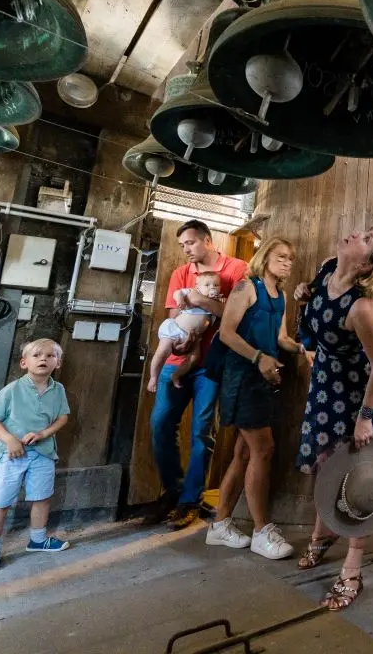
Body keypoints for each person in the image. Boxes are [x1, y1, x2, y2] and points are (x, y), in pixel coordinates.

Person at [291, 227, 373, 611]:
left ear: (367, 262)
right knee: (326, 468)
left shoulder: (362, 308)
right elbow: (310, 323)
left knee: (358, 483)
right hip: (325, 386)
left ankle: (352, 569)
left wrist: (365, 418)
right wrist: (301, 294)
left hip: (358, 397)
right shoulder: (324, 272)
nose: (355, 233)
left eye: (366, 238)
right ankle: (323, 535)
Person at [204, 237, 301, 560]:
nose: (286, 262)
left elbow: (281, 338)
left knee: (244, 453)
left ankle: (219, 526)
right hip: (242, 377)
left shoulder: (281, 295)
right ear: (265, 257)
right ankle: (262, 530)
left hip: (265, 379)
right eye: (281, 256)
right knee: (264, 448)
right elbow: (227, 333)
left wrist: (302, 349)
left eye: (290, 259)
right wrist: (259, 358)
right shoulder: (248, 287)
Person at [150, 220, 248, 530]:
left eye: (191, 242)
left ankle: (190, 501)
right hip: (177, 360)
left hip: (211, 365)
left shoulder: (236, 270)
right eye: (182, 245)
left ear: (208, 240)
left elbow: (235, 314)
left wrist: (200, 300)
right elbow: (174, 314)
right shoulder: (180, 274)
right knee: (160, 424)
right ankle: (173, 490)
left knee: (202, 431)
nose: (186, 249)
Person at [0, 339, 71, 572]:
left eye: (50, 356)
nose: (43, 359)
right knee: (1, 501)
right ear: (24, 362)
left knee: (41, 497)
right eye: (37, 355)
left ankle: (38, 539)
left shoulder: (58, 390)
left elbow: (62, 417)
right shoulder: (11, 390)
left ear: (57, 363)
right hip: (12, 455)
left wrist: (43, 433)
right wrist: (9, 440)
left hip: (43, 452)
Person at [147, 271, 221, 393]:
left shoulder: (217, 301)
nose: (212, 288)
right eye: (207, 285)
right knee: (162, 351)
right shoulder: (193, 292)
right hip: (175, 331)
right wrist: (180, 299)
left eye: (216, 285)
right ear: (198, 287)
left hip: (195, 337)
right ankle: (154, 377)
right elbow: (178, 292)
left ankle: (176, 375)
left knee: (194, 358)